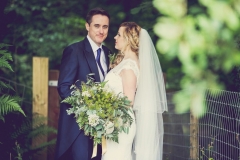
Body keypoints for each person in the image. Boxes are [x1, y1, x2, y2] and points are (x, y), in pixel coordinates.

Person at [102, 22, 168, 160]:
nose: (115, 37)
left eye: (119, 34)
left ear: (128, 39)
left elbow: (128, 101)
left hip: (120, 123)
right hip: (115, 121)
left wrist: (102, 109)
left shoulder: (129, 67)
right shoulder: (125, 63)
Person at [55, 7, 111, 160]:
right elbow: (63, 87)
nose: (101, 31)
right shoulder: (74, 51)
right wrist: (87, 109)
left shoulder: (108, 54)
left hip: (104, 129)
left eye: (105, 27)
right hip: (78, 130)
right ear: (87, 26)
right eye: (97, 26)